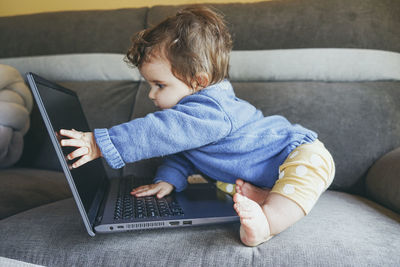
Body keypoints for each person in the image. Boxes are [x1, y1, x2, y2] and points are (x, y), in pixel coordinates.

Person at [59, 6, 335, 247]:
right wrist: (169, 179)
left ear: (199, 82)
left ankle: (268, 224)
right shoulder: (194, 119)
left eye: (160, 85)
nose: (151, 95)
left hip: (301, 153)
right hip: (266, 174)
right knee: (230, 189)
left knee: (299, 185)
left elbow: (164, 131)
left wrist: (101, 143)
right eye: (149, 85)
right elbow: (182, 151)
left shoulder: (213, 110)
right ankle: (266, 196)